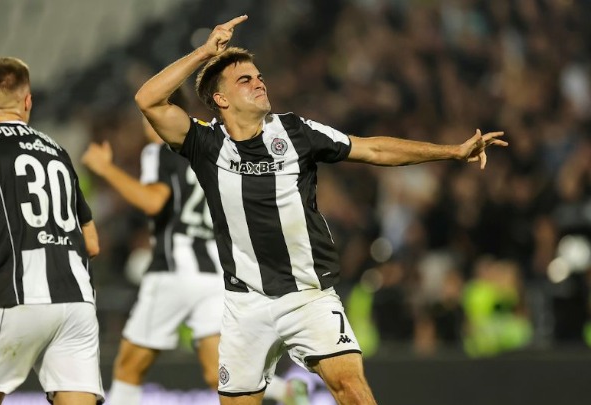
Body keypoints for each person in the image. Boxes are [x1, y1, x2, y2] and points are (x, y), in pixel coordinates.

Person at [134, 15, 507, 405]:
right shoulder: (205, 143)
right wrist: (204, 53)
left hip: (307, 296)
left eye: (259, 77)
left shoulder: (296, 132)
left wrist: (452, 151)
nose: (259, 83)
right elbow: (148, 100)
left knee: (351, 388)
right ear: (221, 99)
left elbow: (373, 148)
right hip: (246, 304)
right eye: (245, 80)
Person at [81, 90, 309, 405]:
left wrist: (106, 169)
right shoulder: (210, 147)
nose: (146, 124)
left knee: (129, 368)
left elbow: (154, 201)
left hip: (173, 272)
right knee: (218, 373)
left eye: (149, 115)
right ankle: (285, 391)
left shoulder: (159, 150)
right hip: (214, 274)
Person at [0, 57, 104, 405]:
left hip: (19, 295)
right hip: (77, 303)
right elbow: (91, 242)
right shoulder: (57, 151)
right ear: (27, 101)